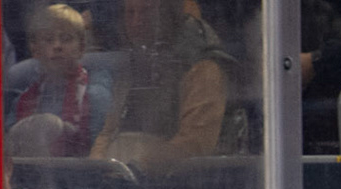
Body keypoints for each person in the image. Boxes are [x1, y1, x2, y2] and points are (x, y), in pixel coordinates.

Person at [91, 0, 235, 167]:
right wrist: (98, 167)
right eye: (130, 13)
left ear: (168, 14)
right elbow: (107, 133)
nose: (137, 22)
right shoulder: (135, 60)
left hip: (178, 179)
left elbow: (194, 144)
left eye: (146, 12)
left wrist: (138, 169)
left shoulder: (202, 65)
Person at [6, 4, 108, 157]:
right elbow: (9, 150)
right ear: (35, 49)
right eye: (48, 40)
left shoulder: (96, 96)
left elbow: (97, 155)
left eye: (66, 39)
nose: (57, 46)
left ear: (81, 47)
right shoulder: (22, 101)